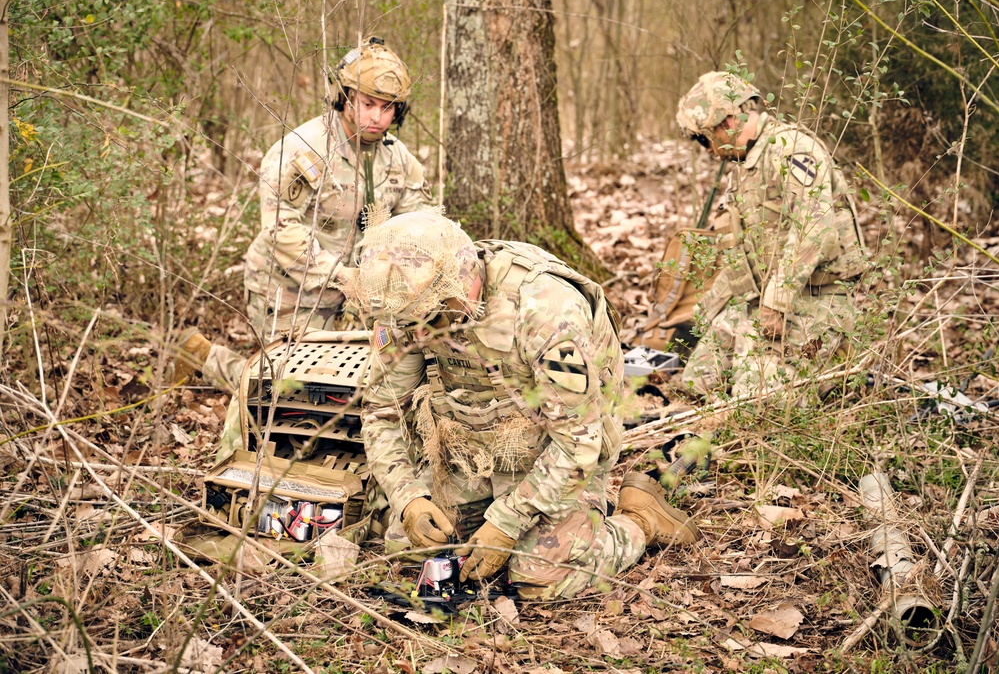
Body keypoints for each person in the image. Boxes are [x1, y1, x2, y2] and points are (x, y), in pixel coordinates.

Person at [336, 211, 700, 600]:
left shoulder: (545, 311)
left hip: (558, 455)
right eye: (411, 326)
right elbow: (382, 414)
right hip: (473, 452)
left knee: (540, 578)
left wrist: (506, 523)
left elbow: (578, 442)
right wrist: (409, 498)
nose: (420, 335)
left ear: (462, 289)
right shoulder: (405, 307)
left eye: (431, 320)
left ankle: (638, 520)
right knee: (414, 549)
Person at [173, 37, 436, 460]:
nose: (377, 117)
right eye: (368, 104)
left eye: (388, 108)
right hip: (290, 285)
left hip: (358, 291)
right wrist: (342, 276)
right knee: (284, 387)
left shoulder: (398, 159)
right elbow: (281, 230)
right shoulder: (303, 149)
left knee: (351, 383)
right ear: (344, 97)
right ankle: (206, 360)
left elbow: (421, 225)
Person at [674, 70, 867, 398]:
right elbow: (741, 255)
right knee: (696, 381)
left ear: (728, 122)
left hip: (816, 298)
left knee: (757, 402)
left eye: (704, 139)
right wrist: (702, 317)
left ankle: (833, 371)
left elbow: (814, 228)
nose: (706, 150)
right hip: (762, 300)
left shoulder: (791, 150)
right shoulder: (744, 168)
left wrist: (777, 303)